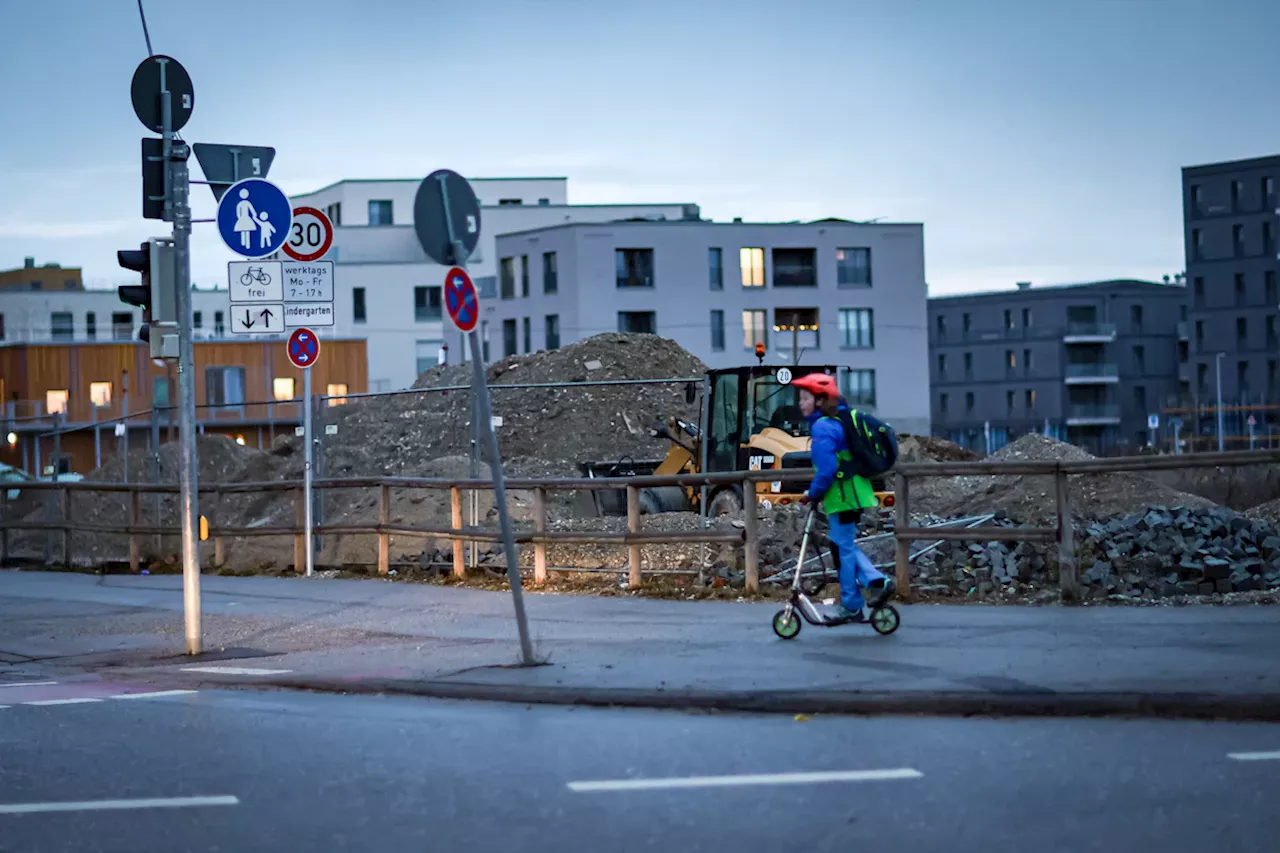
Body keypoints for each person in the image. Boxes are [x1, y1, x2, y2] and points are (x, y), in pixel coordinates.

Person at [791, 373, 895, 622]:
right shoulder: (834, 422)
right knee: (842, 545)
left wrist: (812, 493)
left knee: (843, 548)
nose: (800, 403)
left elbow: (826, 469)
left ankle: (854, 601)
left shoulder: (823, 427)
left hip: (844, 494)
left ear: (819, 401)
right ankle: (872, 584)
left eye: (805, 398)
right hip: (850, 492)